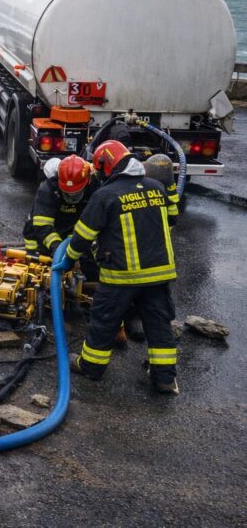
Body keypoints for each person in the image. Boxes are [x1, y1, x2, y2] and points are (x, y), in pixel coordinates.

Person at [57, 140, 180, 394]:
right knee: (158, 324)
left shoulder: (105, 195)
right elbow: (171, 219)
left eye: (100, 170)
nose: (99, 175)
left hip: (121, 276)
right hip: (159, 274)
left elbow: (82, 236)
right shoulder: (156, 187)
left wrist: (66, 260)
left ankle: (90, 366)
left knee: (103, 321)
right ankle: (164, 378)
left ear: (107, 165)